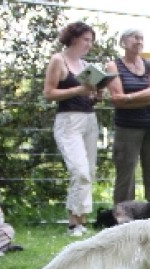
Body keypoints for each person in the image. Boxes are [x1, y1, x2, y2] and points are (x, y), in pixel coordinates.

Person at [43, 21, 101, 237]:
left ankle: (81, 221)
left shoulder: (85, 65)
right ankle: (73, 224)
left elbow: (87, 96)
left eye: (91, 41)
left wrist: (97, 95)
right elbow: (49, 93)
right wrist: (79, 90)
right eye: (86, 39)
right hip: (68, 121)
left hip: (89, 120)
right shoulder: (58, 60)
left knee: (89, 171)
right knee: (79, 171)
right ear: (74, 38)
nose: (89, 44)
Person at [104, 28, 150, 205]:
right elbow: (117, 100)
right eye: (134, 38)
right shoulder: (113, 66)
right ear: (123, 42)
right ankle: (123, 214)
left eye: (141, 38)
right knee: (126, 174)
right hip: (127, 129)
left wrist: (129, 98)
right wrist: (147, 99)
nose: (139, 41)